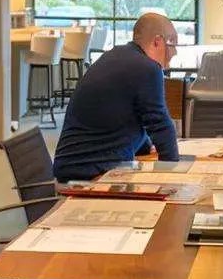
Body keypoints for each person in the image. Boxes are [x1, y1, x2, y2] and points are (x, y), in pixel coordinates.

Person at [52, 13, 182, 181]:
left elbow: (130, 115)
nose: (175, 52)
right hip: (89, 175)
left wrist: (144, 147)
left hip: (77, 166)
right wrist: (173, 177)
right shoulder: (147, 68)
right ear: (158, 41)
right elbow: (160, 124)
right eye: (172, 44)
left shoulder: (118, 56)